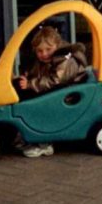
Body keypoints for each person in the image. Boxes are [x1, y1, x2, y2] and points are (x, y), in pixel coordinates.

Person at [13, 26, 90, 157]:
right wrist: (27, 76)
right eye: (39, 51)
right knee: (22, 93)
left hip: (68, 96)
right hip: (58, 91)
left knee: (37, 105)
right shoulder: (47, 59)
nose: (44, 54)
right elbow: (38, 72)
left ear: (58, 45)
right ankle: (29, 135)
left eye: (48, 49)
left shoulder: (66, 60)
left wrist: (31, 84)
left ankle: (43, 143)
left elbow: (55, 80)